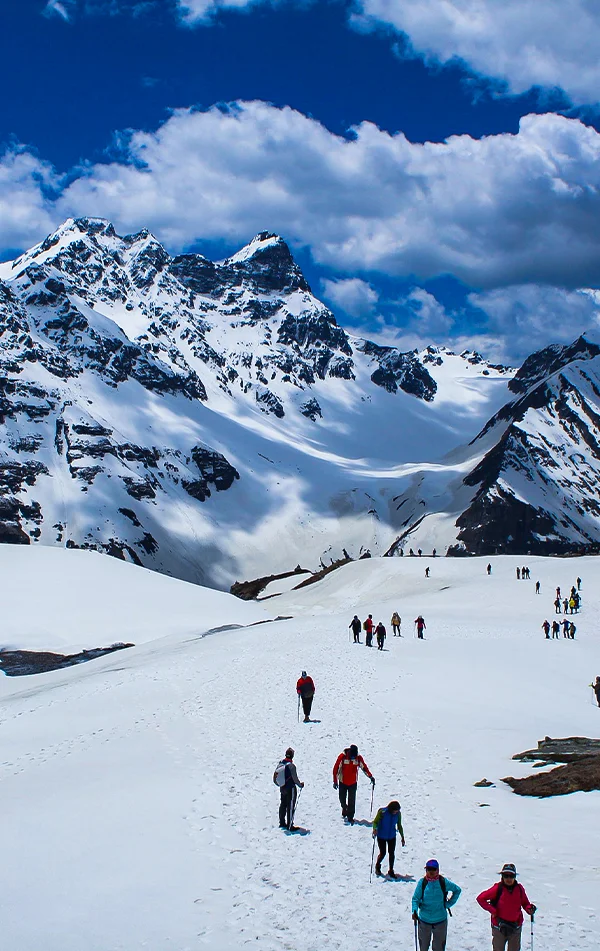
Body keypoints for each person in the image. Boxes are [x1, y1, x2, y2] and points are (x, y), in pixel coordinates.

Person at [477, 863, 536, 951]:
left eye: (511, 876)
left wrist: (529, 909)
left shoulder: (519, 889)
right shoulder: (497, 888)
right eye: (506, 876)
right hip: (499, 926)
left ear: (515, 877)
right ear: (502, 877)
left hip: (515, 926)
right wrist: (493, 910)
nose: (508, 879)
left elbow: (525, 903)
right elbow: (480, 898)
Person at [412, 859, 461, 951]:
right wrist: (414, 910)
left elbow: (457, 890)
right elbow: (415, 899)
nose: (430, 871)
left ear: (437, 870)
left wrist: (448, 904)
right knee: (423, 947)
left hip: (440, 920)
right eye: (428, 869)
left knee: (439, 948)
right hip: (424, 920)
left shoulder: (443, 882)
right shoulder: (422, 883)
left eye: (433, 869)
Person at [333, 744, 374, 825]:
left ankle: (350, 817)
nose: (353, 758)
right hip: (342, 782)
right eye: (352, 756)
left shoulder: (358, 758)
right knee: (342, 799)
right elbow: (335, 769)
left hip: (353, 783)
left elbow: (364, 767)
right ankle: (344, 808)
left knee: (352, 801)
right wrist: (335, 781)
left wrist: (370, 776)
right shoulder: (342, 757)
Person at [372, 800, 405, 878]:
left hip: (392, 836)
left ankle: (391, 870)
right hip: (381, 836)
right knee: (383, 853)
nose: (396, 812)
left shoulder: (398, 814)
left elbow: (399, 825)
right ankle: (377, 865)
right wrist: (375, 829)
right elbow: (375, 822)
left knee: (391, 853)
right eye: (395, 811)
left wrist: (402, 837)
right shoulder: (382, 812)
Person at [274, 747, 304, 830]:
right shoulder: (291, 766)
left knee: (283, 804)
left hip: (282, 787)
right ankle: (290, 825)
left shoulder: (281, 763)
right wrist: (300, 785)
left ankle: (282, 822)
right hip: (290, 788)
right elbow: (295, 778)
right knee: (290, 806)